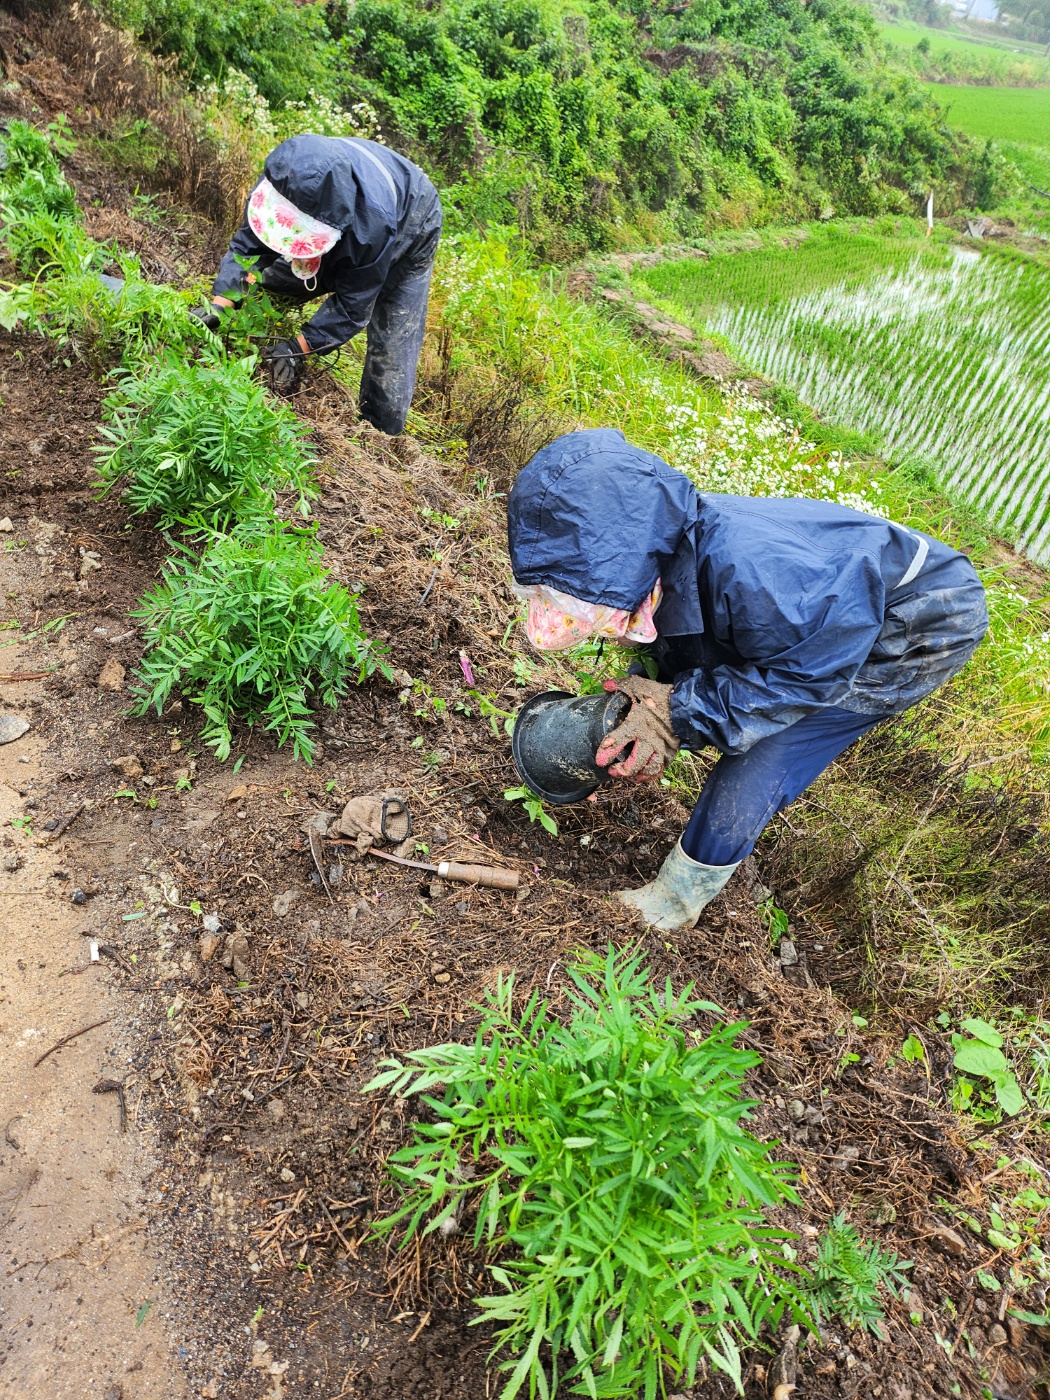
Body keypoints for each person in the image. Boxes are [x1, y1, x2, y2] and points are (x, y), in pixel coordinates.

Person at [507, 429, 988, 930]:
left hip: (915, 619)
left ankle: (676, 899)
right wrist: (637, 712)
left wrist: (677, 715)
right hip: (818, 602)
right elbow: (679, 641)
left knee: (767, 750)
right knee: (676, 691)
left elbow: (803, 677)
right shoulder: (660, 543)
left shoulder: (753, 576)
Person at [195, 134, 442, 434]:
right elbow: (248, 249)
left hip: (412, 218)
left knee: (391, 341)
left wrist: (297, 349)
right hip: (344, 198)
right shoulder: (283, 176)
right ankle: (247, 327)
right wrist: (221, 303)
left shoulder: (373, 227)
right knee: (274, 280)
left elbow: (353, 306)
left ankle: (378, 434)